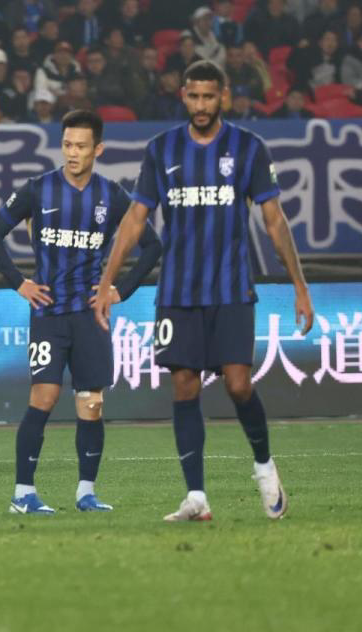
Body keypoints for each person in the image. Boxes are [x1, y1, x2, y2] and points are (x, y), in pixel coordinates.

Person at [92, 61, 315, 522]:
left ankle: (264, 466)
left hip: (231, 288)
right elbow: (134, 220)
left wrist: (300, 286)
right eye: (193, 96)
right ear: (183, 96)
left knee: (238, 383)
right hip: (178, 290)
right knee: (183, 385)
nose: (200, 105)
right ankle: (196, 496)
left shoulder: (248, 148)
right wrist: (107, 280)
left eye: (208, 97)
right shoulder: (162, 150)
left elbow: (274, 221)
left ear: (223, 97)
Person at [0, 110, 162, 515]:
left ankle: (86, 493)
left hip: (90, 316)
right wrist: (19, 283)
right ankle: (23, 494)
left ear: (98, 149)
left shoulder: (111, 196)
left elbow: (152, 245)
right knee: (43, 397)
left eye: (81, 146)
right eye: (67, 144)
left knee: (91, 404)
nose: (72, 153)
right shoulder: (38, 189)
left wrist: (119, 291)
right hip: (48, 313)